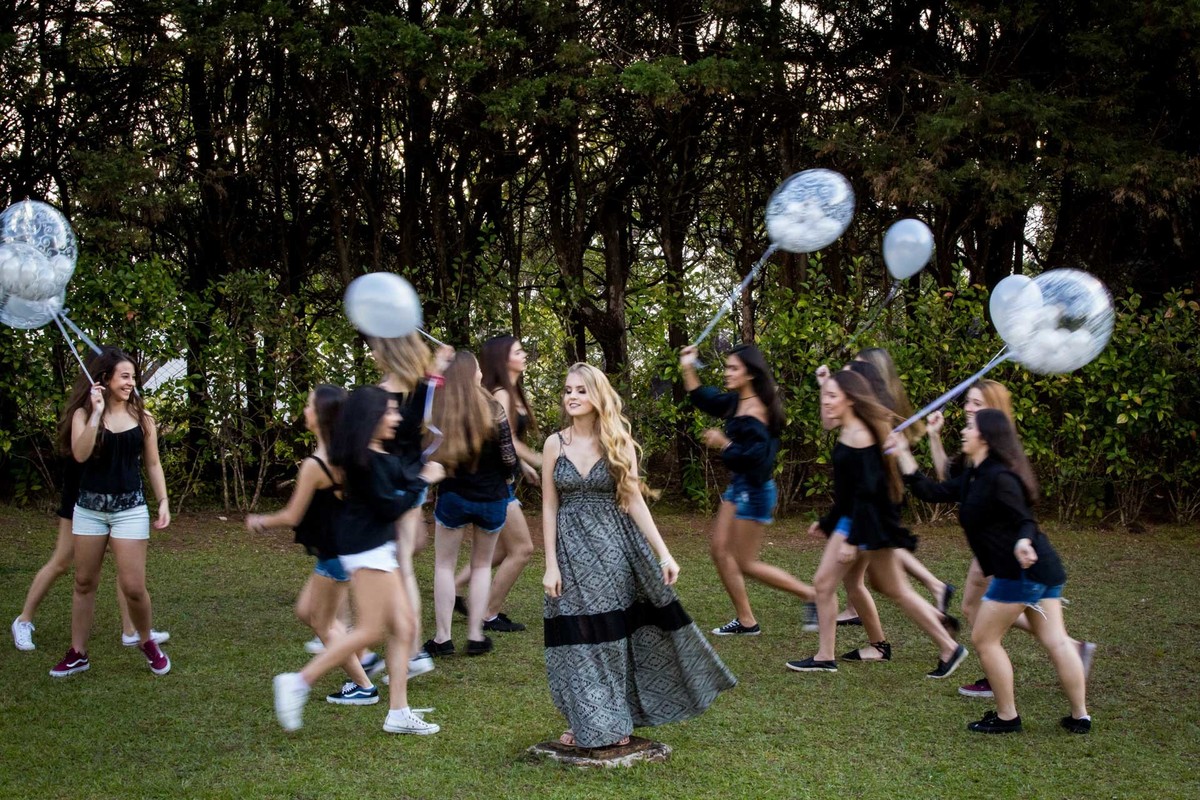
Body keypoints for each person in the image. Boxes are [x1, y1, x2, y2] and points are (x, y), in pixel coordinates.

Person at [542, 363, 735, 749]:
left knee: (610, 638)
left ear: (598, 395)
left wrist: (664, 554)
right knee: (574, 637)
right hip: (569, 552)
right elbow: (549, 506)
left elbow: (633, 502)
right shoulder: (554, 444)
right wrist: (550, 563)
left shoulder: (618, 441)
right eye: (567, 390)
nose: (573, 397)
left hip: (612, 550)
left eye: (581, 390)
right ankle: (587, 718)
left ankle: (611, 718)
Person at [890, 410, 1091, 733]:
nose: (964, 431)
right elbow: (931, 492)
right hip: (1042, 569)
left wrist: (1023, 542)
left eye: (970, 427)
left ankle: (1007, 716)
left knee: (985, 639)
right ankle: (1080, 717)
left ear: (985, 437)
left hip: (1020, 571)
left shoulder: (1000, 477)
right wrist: (901, 452)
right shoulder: (975, 475)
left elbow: (1025, 519)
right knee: (1055, 639)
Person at [273, 386, 445, 734]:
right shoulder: (365, 460)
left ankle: (398, 712)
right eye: (390, 412)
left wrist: (422, 475)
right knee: (371, 629)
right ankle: (298, 682)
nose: (397, 418)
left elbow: (402, 478)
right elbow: (391, 506)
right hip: (366, 549)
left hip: (377, 546)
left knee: (405, 627)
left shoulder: (377, 454)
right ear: (372, 418)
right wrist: (423, 482)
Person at [786, 370, 966, 677]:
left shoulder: (861, 436)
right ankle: (944, 646)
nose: (826, 402)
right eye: (825, 396)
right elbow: (849, 492)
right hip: (864, 521)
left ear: (851, 400)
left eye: (832, 396)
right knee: (891, 588)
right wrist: (828, 522)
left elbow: (867, 494)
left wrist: (852, 539)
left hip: (865, 523)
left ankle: (824, 656)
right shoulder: (851, 428)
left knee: (823, 584)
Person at [924, 380, 1096, 698]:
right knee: (981, 608)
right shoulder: (978, 446)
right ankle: (1063, 649)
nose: (969, 409)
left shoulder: (999, 455)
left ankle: (1007, 670)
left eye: (978, 403)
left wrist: (1020, 542)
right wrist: (934, 436)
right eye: (968, 402)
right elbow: (951, 482)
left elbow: (1016, 512)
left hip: (1005, 548)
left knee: (985, 610)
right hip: (995, 545)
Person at [247, 385, 380, 706]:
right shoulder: (347, 455)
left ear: (321, 416)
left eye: (308, 405)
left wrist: (261, 521)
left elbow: (293, 515)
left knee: (320, 621)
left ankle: (363, 684)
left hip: (336, 555)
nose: (304, 410)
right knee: (307, 611)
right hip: (342, 549)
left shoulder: (316, 464)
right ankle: (360, 665)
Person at [50, 348, 172, 677]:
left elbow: (153, 463)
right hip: (89, 510)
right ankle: (78, 653)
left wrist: (163, 501)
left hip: (130, 509)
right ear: (104, 379)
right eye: (125, 376)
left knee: (133, 586)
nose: (131, 382)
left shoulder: (143, 418)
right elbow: (80, 453)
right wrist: (95, 413)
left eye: (133, 376)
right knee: (84, 581)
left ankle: (146, 640)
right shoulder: (83, 415)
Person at [679, 344, 817, 636]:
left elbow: (760, 460)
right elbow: (704, 398)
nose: (726, 373)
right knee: (718, 550)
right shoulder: (736, 401)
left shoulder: (759, 412)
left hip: (755, 490)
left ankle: (811, 594)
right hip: (740, 486)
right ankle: (746, 621)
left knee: (746, 563)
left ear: (750, 375)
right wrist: (687, 365)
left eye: (733, 369)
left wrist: (724, 443)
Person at [832, 358, 956, 630]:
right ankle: (934, 604)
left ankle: (941, 631)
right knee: (881, 581)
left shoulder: (876, 416)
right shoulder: (863, 415)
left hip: (876, 506)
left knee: (887, 582)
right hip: (871, 507)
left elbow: (878, 475)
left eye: (851, 376)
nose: (844, 381)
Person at [12, 458, 167, 652]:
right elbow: (77, 452)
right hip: (82, 495)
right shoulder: (82, 426)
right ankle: (23, 620)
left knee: (126, 565)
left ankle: (130, 630)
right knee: (62, 561)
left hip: (117, 499)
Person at [369, 332, 453, 677]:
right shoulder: (419, 389)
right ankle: (408, 647)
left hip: (395, 481)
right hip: (413, 477)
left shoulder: (382, 395)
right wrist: (440, 362)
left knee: (400, 565)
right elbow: (433, 382)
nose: (373, 352)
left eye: (377, 348)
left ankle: (414, 649)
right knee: (399, 561)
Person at [426, 352, 517, 657]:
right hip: (492, 498)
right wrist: (506, 481)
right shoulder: (494, 408)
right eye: (478, 367)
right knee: (480, 567)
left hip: (454, 496)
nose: (481, 372)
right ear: (474, 374)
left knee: (444, 565)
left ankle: (443, 637)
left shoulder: (442, 410)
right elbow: (508, 458)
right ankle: (476, 635)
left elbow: (429, 452)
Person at [452, 334, 541, 633]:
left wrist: (524, 465)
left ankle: (453, 587)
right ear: (504, 359)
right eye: (519, 351)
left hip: (504, 480)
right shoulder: (501, 393)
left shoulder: (508, 392)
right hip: (496, 484)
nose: (524, 354)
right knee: (523, 549)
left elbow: (504, 441)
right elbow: (510, 441)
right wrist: (544, 460)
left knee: (504, 550)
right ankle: (488, 614)